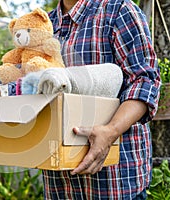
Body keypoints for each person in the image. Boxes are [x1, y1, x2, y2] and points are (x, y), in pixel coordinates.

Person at [40, 0, 161, 199]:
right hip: (59, 185)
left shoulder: (118, 10)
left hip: (116, 181)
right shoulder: (44, 23)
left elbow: (144, 82)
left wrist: (111, 131)